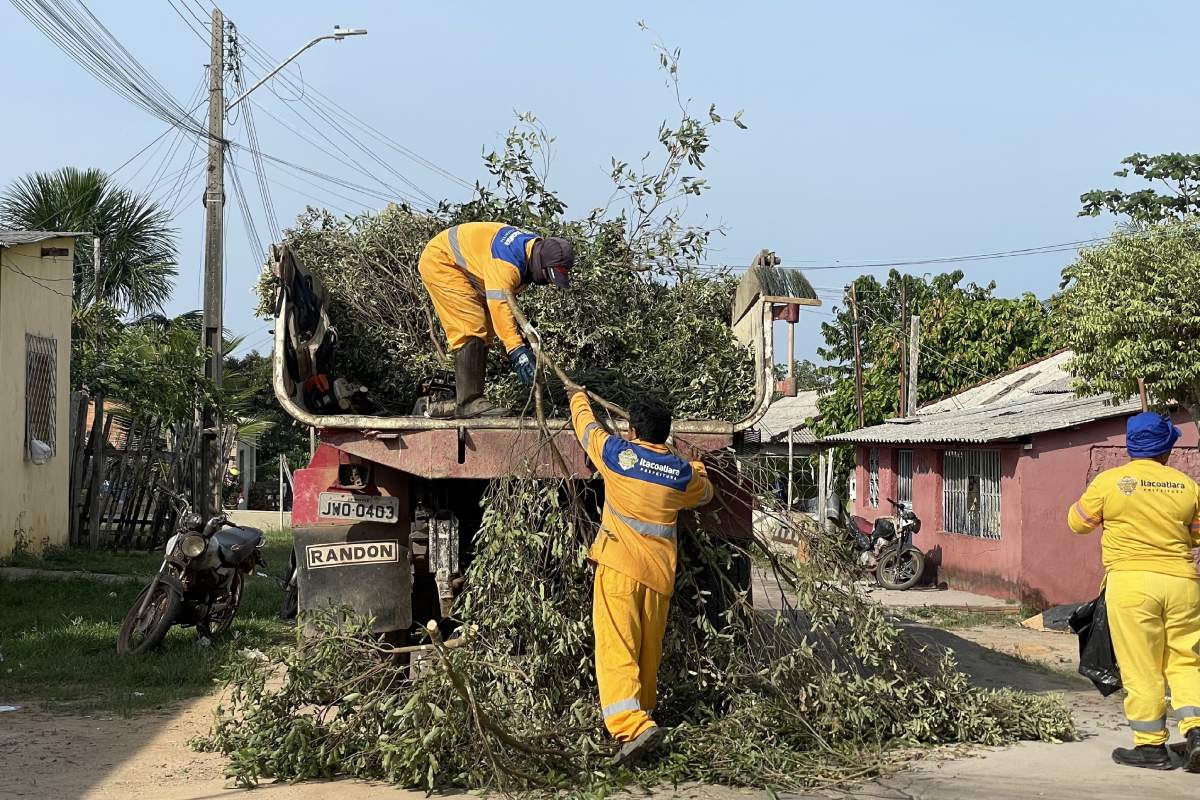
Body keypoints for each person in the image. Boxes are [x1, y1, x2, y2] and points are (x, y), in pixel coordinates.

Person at [567, 385, 715, 766]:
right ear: (664, 434)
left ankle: (630, 727)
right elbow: (705, 493)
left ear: (632, 431)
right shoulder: (679, 474)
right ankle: (644, 723)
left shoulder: (619, 456)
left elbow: (586, 430)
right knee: (647, 653)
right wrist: (695, 465)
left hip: (619, 570)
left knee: (617, 649)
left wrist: (577, 396)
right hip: (657, 579)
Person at [1067, 412, 1200, 771]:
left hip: (1132, 583)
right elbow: (1197, 534)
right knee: (1186, 661)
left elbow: (1077, 523)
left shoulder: (1110, 482)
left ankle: (1150, 747)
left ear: (1131, 447)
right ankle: (1197, 732)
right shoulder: (1188, 486)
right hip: (1183, 583)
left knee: (1142, 666)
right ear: (1168, 448)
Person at [418, 222, 574, 417]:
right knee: (471, 327)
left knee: (488, 332)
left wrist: (518, 342)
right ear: (540, 263)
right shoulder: (507, 263)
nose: (546, 283)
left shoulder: (527, 252)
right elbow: (499, 305)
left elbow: (504, 309)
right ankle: (469, 402)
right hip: (442, 261)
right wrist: (516, 349)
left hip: (469, 271)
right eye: (547, 276)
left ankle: (452, 404)